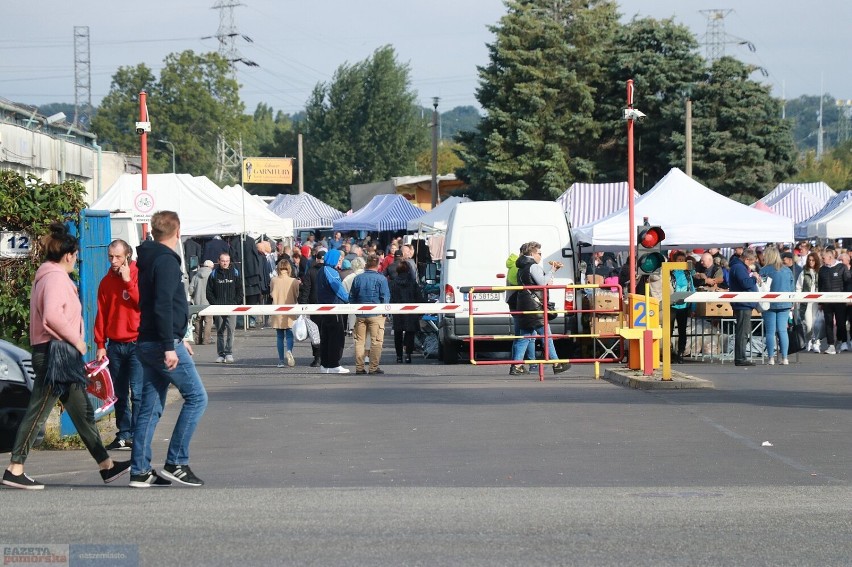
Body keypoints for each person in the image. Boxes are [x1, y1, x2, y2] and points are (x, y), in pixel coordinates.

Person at [3, 223, 130, 490]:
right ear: (69, 255)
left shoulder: (48, 276)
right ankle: (15, 468)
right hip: (55, 354)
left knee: (82, 411)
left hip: (57, 354)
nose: (76, 260)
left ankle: (106, 466)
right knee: (38, 412)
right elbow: (52, 315)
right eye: (76, 255)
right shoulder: (55, 278)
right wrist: (78, 342)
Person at [131, 210, 208, 488]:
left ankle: (140, 470)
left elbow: (161, 305)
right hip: (161, 343)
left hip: (148, 340)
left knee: (149, 408)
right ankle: (176, 461)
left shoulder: (147, 257)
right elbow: (164, 304)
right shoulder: (165, 261)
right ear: (178, 232)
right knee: (197, 398)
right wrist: (170, 345)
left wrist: (178, 337)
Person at [93, 239, 142, 452]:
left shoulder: (138, 274)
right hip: (115, 344)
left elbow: (141, 302)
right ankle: (124, 434)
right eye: (111, 257)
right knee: (119, 393)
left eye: (118, 257)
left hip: (137, 343)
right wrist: (100, 344)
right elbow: (101, 314)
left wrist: (128, 281)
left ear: (127, 256)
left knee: (138, 392)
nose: (114, 261)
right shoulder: (105, 282)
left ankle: (139, 435)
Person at [511, 241, 570, 375]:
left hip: (525, 305)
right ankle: (556, 363)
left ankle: (516, 365)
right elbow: (542, 283)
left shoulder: (521, 268)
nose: (540, 256)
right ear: (532, 254)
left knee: (525, 336)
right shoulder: (534, 266)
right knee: (546, 335)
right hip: (535, 307)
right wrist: (552, 271)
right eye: (539, 253)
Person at [349, 254, 391, 374]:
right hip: (376, 314)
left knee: (359, 342)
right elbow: (385, 297)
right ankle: (373, 367)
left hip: (361, 314)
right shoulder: (381, 279)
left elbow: (351, 297)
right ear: (377, 265)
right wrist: (385, 314)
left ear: (366, 264)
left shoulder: (358, 278)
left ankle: (359, 367)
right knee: (376, 342)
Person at [758, 246, 795, 365]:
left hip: (768, 304)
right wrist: (792, 303)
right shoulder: (787, 270)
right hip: (785, 303)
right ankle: (785, 358)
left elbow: (761, 288)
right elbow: (792, 288)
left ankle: (771, 358)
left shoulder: (764, 270)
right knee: (782, 331)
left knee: (770, 332)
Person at [316, 248, 350, 373]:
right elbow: (338, 289)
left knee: (325, 337)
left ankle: (325, 365)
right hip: (333, 308)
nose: (340, 262)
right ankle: (334, 364)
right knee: (336, 336)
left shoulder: (321, 270)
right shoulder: (331, 271)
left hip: (324, 308)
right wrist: (348, 299)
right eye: (339, 259)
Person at [206, 252, 243, 364]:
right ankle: (221, 354)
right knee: (220, 331)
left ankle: (229, 353)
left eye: (227, 261)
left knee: (231, 330)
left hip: (231, 307)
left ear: (229, 261)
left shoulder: (235, 273)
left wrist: (235, 302)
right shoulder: (213, 274)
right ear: (219, 261)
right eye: (223, 261)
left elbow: (240, 291)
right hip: (219, 307)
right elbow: (209, 291)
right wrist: (215, 303)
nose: (225, 263)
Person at [728, 248, 760, 366]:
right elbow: (745, 283)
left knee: (744, 331)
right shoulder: (739, 267)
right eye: (751, 262)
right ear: (747, 259)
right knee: (743, 332)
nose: (752, 265)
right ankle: (740, 358)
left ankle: (741, 357)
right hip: (743, 303)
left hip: (743, 303)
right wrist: (754, 278)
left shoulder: (738, 266)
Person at [506, 244, 535, 374]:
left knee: (523, 335)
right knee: (526, 335)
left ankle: (518, 364)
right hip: (520, 302)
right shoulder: (518, 267)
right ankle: (525, 364)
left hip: (514, 302)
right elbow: (524, 282)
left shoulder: (513, 265)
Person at [818, 247, 850, 354]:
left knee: (841, 323)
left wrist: (847, 298)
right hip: (827, 301)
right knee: (828, 323)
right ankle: (831, 345)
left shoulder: (842, 267)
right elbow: (820, 286)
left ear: (830, 257)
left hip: (840, 301)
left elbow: (848, 283)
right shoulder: (822, 270)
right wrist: (820, 302)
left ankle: (842, 340)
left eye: (824, 258)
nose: (822, 259)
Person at [270, 259, 300, 368]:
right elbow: (297, 295)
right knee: (289, 335)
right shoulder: (294, 281)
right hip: (290, 310)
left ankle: (281, 361)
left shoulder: (273, 280)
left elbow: (271, 294)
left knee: (279, 336)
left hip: (277, 311)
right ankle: (289, 351)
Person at [299, 248, 325, 367]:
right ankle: (325, 356)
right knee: (326, 332)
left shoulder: (310, 271)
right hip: (327, 306)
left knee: (315, 332)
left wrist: (303, 306)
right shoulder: (329, 271)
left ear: (316, 259)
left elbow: (306, 290)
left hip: (314, 306)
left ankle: (317, 357)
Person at [670, 251, 694, 364]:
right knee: (668, 330)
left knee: (682, 330)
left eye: (682, 260)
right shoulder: (670, 272)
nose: (681, 262)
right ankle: (668, 352)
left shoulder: (688, 273)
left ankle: (680, 352)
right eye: (679, 260)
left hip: (684, 305)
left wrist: (693, 307)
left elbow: (692, 288)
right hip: (671, 305)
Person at [796, 251, 821, 352]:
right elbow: (798, 287)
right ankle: (809, 340)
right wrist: (798, 300)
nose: (811, 262)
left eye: (813, 260)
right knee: (808, 324)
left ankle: (816, 343)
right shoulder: (803, 272)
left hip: (817, 302)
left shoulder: (820, 272)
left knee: (816, 324)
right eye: (809, 260)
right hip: (806, 302)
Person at [189, 259, 215, 345]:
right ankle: (206, 340)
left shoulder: (196, 276)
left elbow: (191, 289)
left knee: (198, 321)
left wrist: (193, 296)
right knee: (208, 321)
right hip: (208, 302)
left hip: (198, 302)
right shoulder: (213, 275)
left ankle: (197, 340)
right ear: (212, 267)